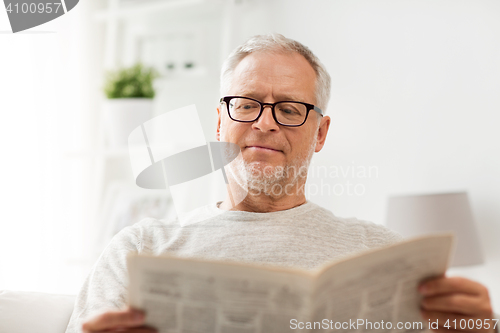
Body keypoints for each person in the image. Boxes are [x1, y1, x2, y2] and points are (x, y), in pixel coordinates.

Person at [66, 34, 495, 333]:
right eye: (247, 104)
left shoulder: (383, 253)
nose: (266, 123)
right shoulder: (140, 248)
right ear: (219, 122)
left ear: (321, 134)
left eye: (290, 109)